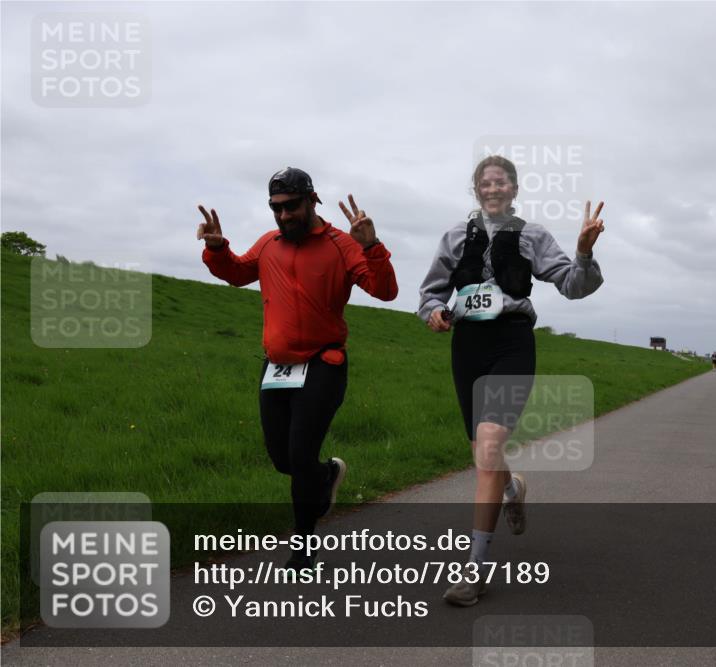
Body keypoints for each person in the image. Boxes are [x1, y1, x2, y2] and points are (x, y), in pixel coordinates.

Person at [418, 155, 605, 606]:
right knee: (483, 450)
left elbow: (574, 285)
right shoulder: (454, 236)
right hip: (468, 346)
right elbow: (430, 294)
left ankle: (474, 571)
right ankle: (510, 489)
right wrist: (435, 313)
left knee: (487, 444)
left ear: (514, 189)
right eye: (485, 182)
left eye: (501, 182)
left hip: (512, 342)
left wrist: (583, 252)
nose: (493, 188)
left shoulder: (533, 236)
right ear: (476, 189)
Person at [197, 167, 398, 569]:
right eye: (276, 208)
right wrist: (218, 250)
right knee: (282, 459)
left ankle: (304, 547)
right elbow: (237, 273)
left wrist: (372, 245)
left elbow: (385, 291)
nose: (284, 216)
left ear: (312, 200)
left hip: (324, 363)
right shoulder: (269, 244)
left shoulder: (342, 245)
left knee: (300, 454)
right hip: (276, 368)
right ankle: (326, 476)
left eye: (291, 207)